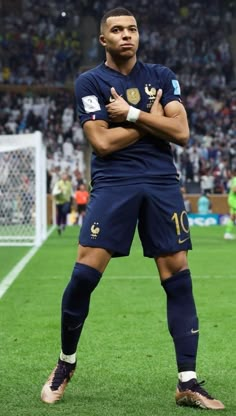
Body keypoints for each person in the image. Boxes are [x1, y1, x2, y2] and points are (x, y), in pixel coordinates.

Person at [41, 8, 224, 410]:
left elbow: (183, 133)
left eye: (133, 29)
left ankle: (188, 380)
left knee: (178, 276)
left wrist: (130, 114)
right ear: (103, 39)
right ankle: (66, 363)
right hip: (114, 183)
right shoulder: (89, 81)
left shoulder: (161, 75)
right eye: (117, 30)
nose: (127, 35)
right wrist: (152, 119)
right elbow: (101, 144)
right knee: (85, 275)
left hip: (161, 183)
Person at [224, 169, 236, 240]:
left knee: (233, 217)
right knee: (233, 216)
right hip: (234, 201)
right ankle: (227, 234)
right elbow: (234, 189)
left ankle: (227, 233)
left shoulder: (234, 179)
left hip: (233, 200)